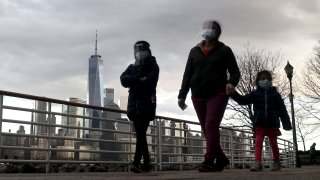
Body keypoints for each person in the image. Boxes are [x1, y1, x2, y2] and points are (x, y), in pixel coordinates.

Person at [178, 20, 241, 172]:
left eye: (211, 29)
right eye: (205, 28)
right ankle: (222, 159)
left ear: (217, 33)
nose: (207, 31)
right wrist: (182, 95)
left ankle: (208, 161)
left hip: (218, 93)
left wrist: (231, 83)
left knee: (211, 124)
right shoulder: (194, 51)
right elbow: (187, 75)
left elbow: (235, 72)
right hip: (198, 95)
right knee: (207, 130)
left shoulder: (225, 50)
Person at [231, 70, 292, 171]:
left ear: (271, 81)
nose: (266, 80)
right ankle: (257, 163)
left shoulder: (276, 95)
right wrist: (234, 93)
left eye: (268, 79)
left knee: (273, 143)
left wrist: (287, 123)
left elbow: (282, 110)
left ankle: (277, 162)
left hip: (273, 124)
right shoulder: (255, 94)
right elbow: (243, 100)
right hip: (260, 123)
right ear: (258, 81)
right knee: (258, 142)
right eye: (263, 79)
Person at [120, 41, 159, 173]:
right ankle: (147, 163)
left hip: (146, 106)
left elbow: (149, 83)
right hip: (133, 107)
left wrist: (133, 81)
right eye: (138, 51)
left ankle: (136, 163)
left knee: (140, 134)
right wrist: (138, 78)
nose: (140, 53)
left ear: (148, 51)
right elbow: (122, 79)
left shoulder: (153, 66)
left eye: (142, 50)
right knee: (141, 135)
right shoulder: (132, 67)